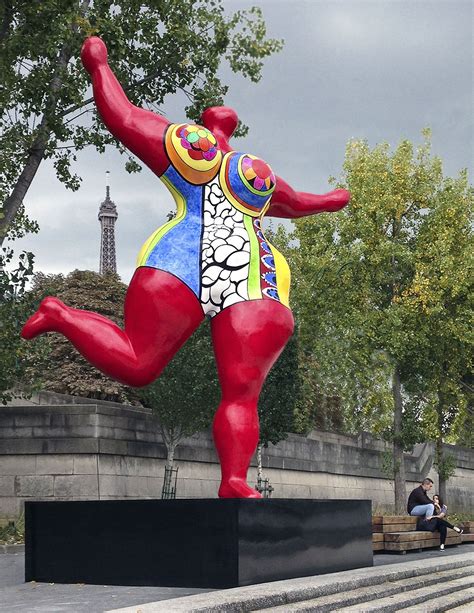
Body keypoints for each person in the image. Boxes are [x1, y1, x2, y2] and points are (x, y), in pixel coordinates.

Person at [21, 36, 351, 499]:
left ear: (212, 123)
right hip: (230, 267)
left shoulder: (201, 154)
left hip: (205, 266)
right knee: (155, 369)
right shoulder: (236, 168)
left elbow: (123, 116)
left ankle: (233, 479)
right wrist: (332, 201)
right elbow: (297, 203)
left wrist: (100, 67)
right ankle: (62, 314)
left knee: (228, 387)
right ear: (224, 125)